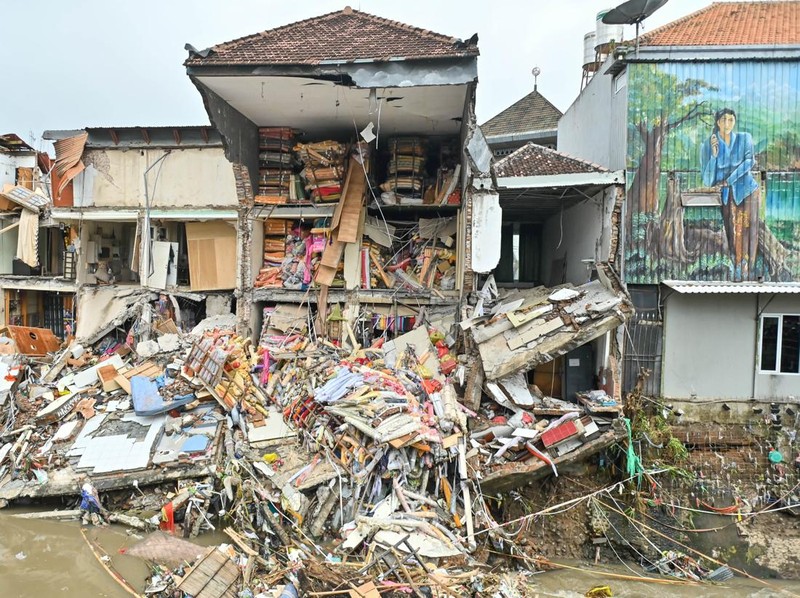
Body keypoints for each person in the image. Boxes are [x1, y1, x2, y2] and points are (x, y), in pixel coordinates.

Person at [701, 108, 761, 281]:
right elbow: (707, 180)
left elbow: (749, 161)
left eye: (730, 120)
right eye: (723, 120)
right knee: (732, 230)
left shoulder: (744, 138)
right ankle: (737, 264)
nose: (727, 123)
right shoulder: (709, 144)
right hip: (727, 195)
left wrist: (729, 179)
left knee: (749, 228)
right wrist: (714, 156)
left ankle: (749, 267)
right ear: (718, 122)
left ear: (734, 122)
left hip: (747, 190)